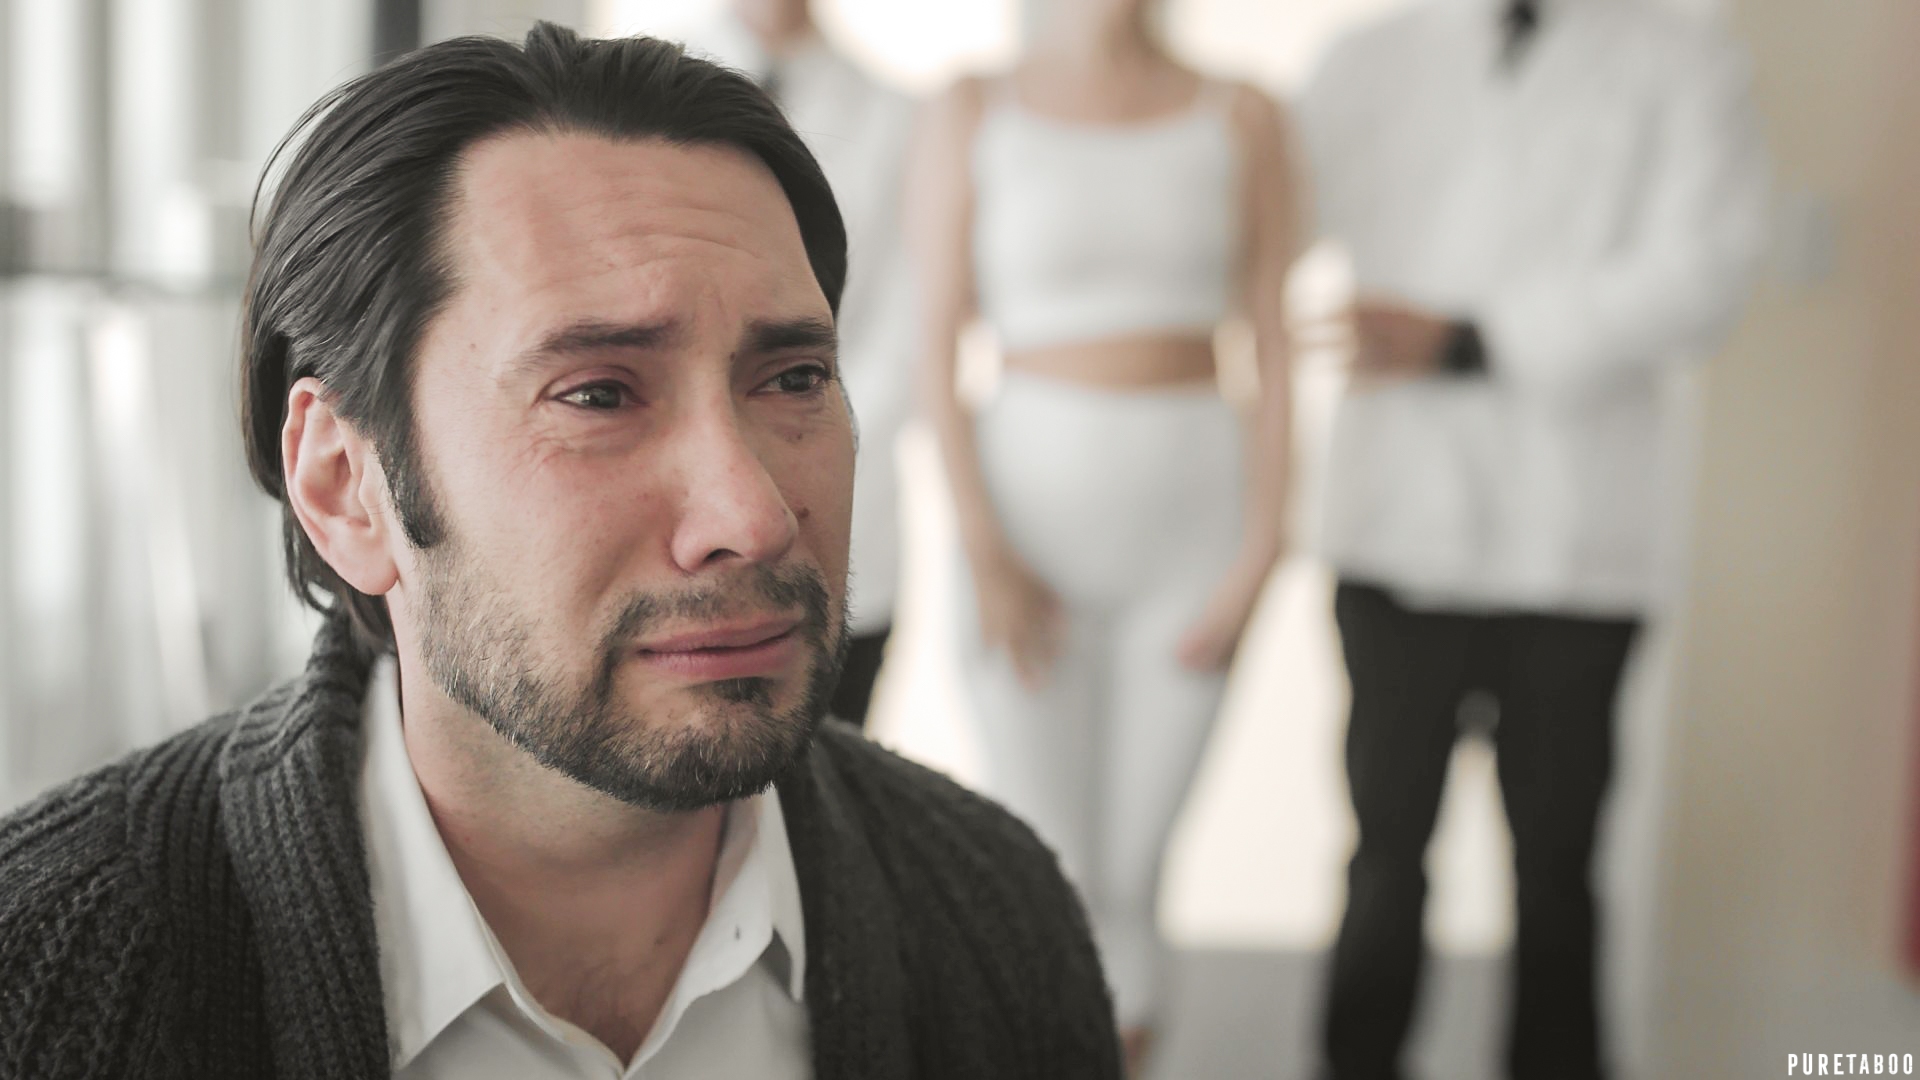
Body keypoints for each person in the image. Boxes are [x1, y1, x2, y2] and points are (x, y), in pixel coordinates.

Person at [0, 25, 1121, 1080]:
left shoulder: (991, 914)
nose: (754, 514)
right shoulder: (53, 974)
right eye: (597, 395)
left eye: (793, 380)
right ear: (345, 486)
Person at [1296, 1, 1769, 1077]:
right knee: (1383, 852)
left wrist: (1475, 339)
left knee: (1557, 867)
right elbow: (1256, 210)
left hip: (1576, 543)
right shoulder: (1368, 61)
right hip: (1399, 526)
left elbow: (1705, 270)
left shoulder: (1685, 60)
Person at [912, 0, 1300, 1070]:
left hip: (1195, 544)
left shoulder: (1241, 114)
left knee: (1134, 872)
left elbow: (1273, 338)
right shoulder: (972, 109)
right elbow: (936, 346)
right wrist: (985, 550)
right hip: (1025, 545)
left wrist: (1263, 550)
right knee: (1051, 866)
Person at [676, 0, 919, 728]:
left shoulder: (897, 116)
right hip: (678, 507)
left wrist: (803, 425)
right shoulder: (634, 87)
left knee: (825, 748)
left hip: (849, 485)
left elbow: (908, 321)